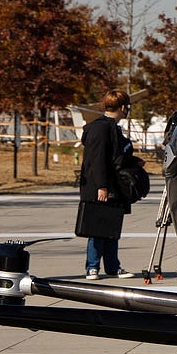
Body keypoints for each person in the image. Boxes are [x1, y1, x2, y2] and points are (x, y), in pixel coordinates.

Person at [77, 90, 136, 279]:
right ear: (122, 107)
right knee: (97, 227)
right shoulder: (101, 128)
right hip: (100, 186)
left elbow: (114, 157)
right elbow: (98, 159)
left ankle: (112, 266)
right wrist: (101, 186)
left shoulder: (111, 127)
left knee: (111, 227)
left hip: (111, 185)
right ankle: (92, 267)